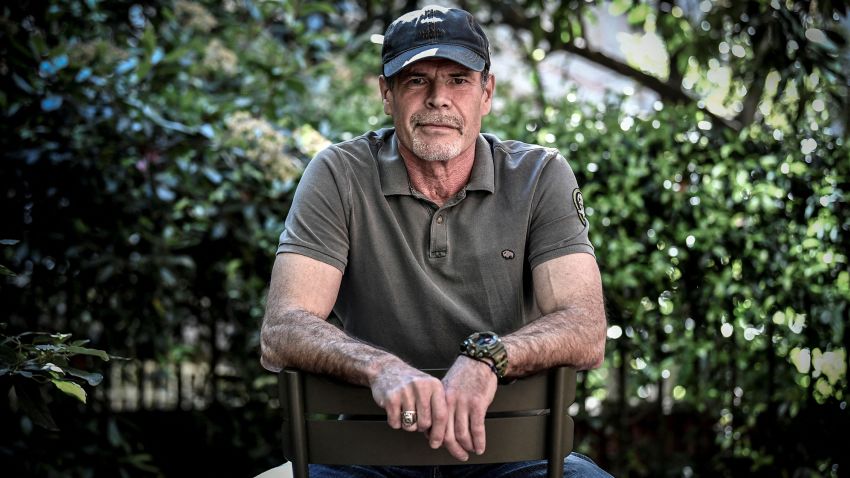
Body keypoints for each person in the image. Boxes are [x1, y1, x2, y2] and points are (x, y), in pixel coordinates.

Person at [261, 5, 610, 477]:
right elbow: (281, 330)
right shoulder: (338, 174)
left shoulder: (539, 175)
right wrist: (381, 368)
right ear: (387, 94)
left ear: (486, 93)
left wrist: (488, 357)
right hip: (368, 454)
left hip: (513, 456)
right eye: (416, 80)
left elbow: (586, 328)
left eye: (458, 80)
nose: (438, 99)